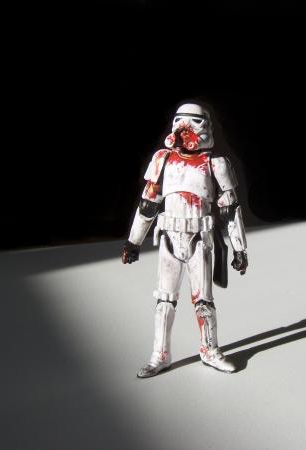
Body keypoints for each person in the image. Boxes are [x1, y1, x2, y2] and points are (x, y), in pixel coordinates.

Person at [122, 102, 248, 378]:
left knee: (204, 300)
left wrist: (239, 248)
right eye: (180, 121)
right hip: (169, 238)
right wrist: (133, 242)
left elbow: (230, 209)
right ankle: (160, 354)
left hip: (199, 240)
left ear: (205, 126)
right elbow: (148, 204)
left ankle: (209, 350)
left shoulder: (215, 164)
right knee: (164, 300)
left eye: (193, 122)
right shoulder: (163, 160)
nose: (185, 129)